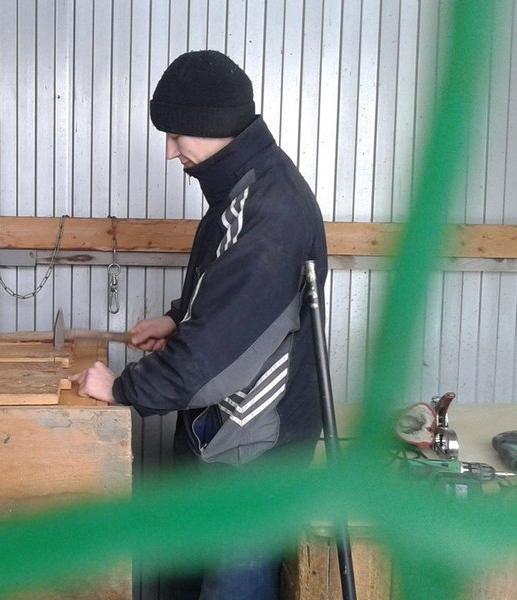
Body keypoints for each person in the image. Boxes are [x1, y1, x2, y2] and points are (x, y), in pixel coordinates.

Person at [69, 50, 328, 600]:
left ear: (211, 125)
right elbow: (230, 296)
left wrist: (120, 388)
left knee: (231, 589)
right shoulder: (245, 186)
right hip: (228, 438)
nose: (170, 151)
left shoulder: (269, 212)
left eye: (176, 134)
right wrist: (176, 317)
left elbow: (207, 363)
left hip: (250, 454)